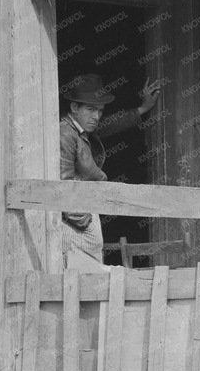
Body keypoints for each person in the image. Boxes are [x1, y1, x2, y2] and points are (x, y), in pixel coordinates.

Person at [59, 73, 163, 270]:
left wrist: (143, 108)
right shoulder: (66, 134)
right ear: (74, 107)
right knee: (82, 283)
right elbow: (63, 185)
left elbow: (111, 124)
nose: (96, 116)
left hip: (84, 214)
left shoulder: (81, 130)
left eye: (99, 110)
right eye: (91, 109)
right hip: (75, 223)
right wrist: (85, 221)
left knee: (89, 285)